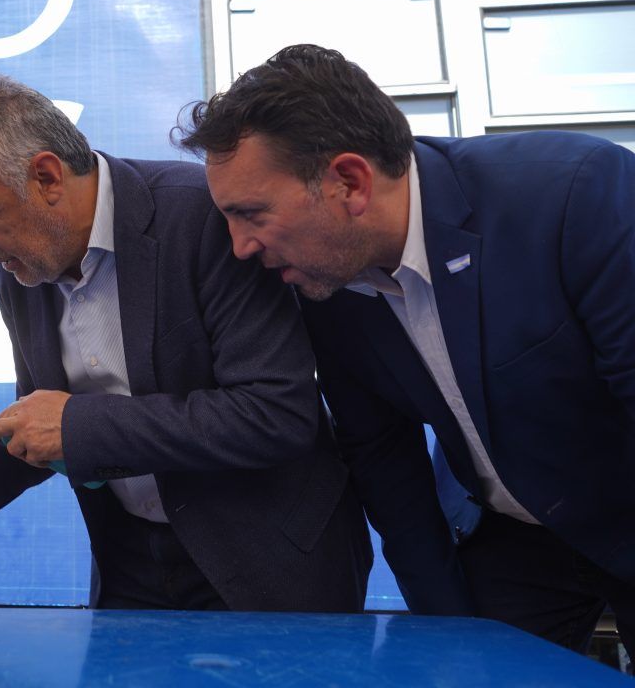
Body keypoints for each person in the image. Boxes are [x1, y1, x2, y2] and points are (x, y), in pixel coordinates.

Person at [179, 42, 635, 653]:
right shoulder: (328, 281)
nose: (239, 247)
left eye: (252, 214)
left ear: (349, 181)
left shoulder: (576, 196)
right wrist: (447, 628)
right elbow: (382, 458)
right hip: (511, 535)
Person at [0, 73, 371, 612]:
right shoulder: (18, 269)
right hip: (130, 569)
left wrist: (77, 424)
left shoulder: (201, 218)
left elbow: (275, 412)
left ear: (47, 177)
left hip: (268, 562)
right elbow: (47, 426)